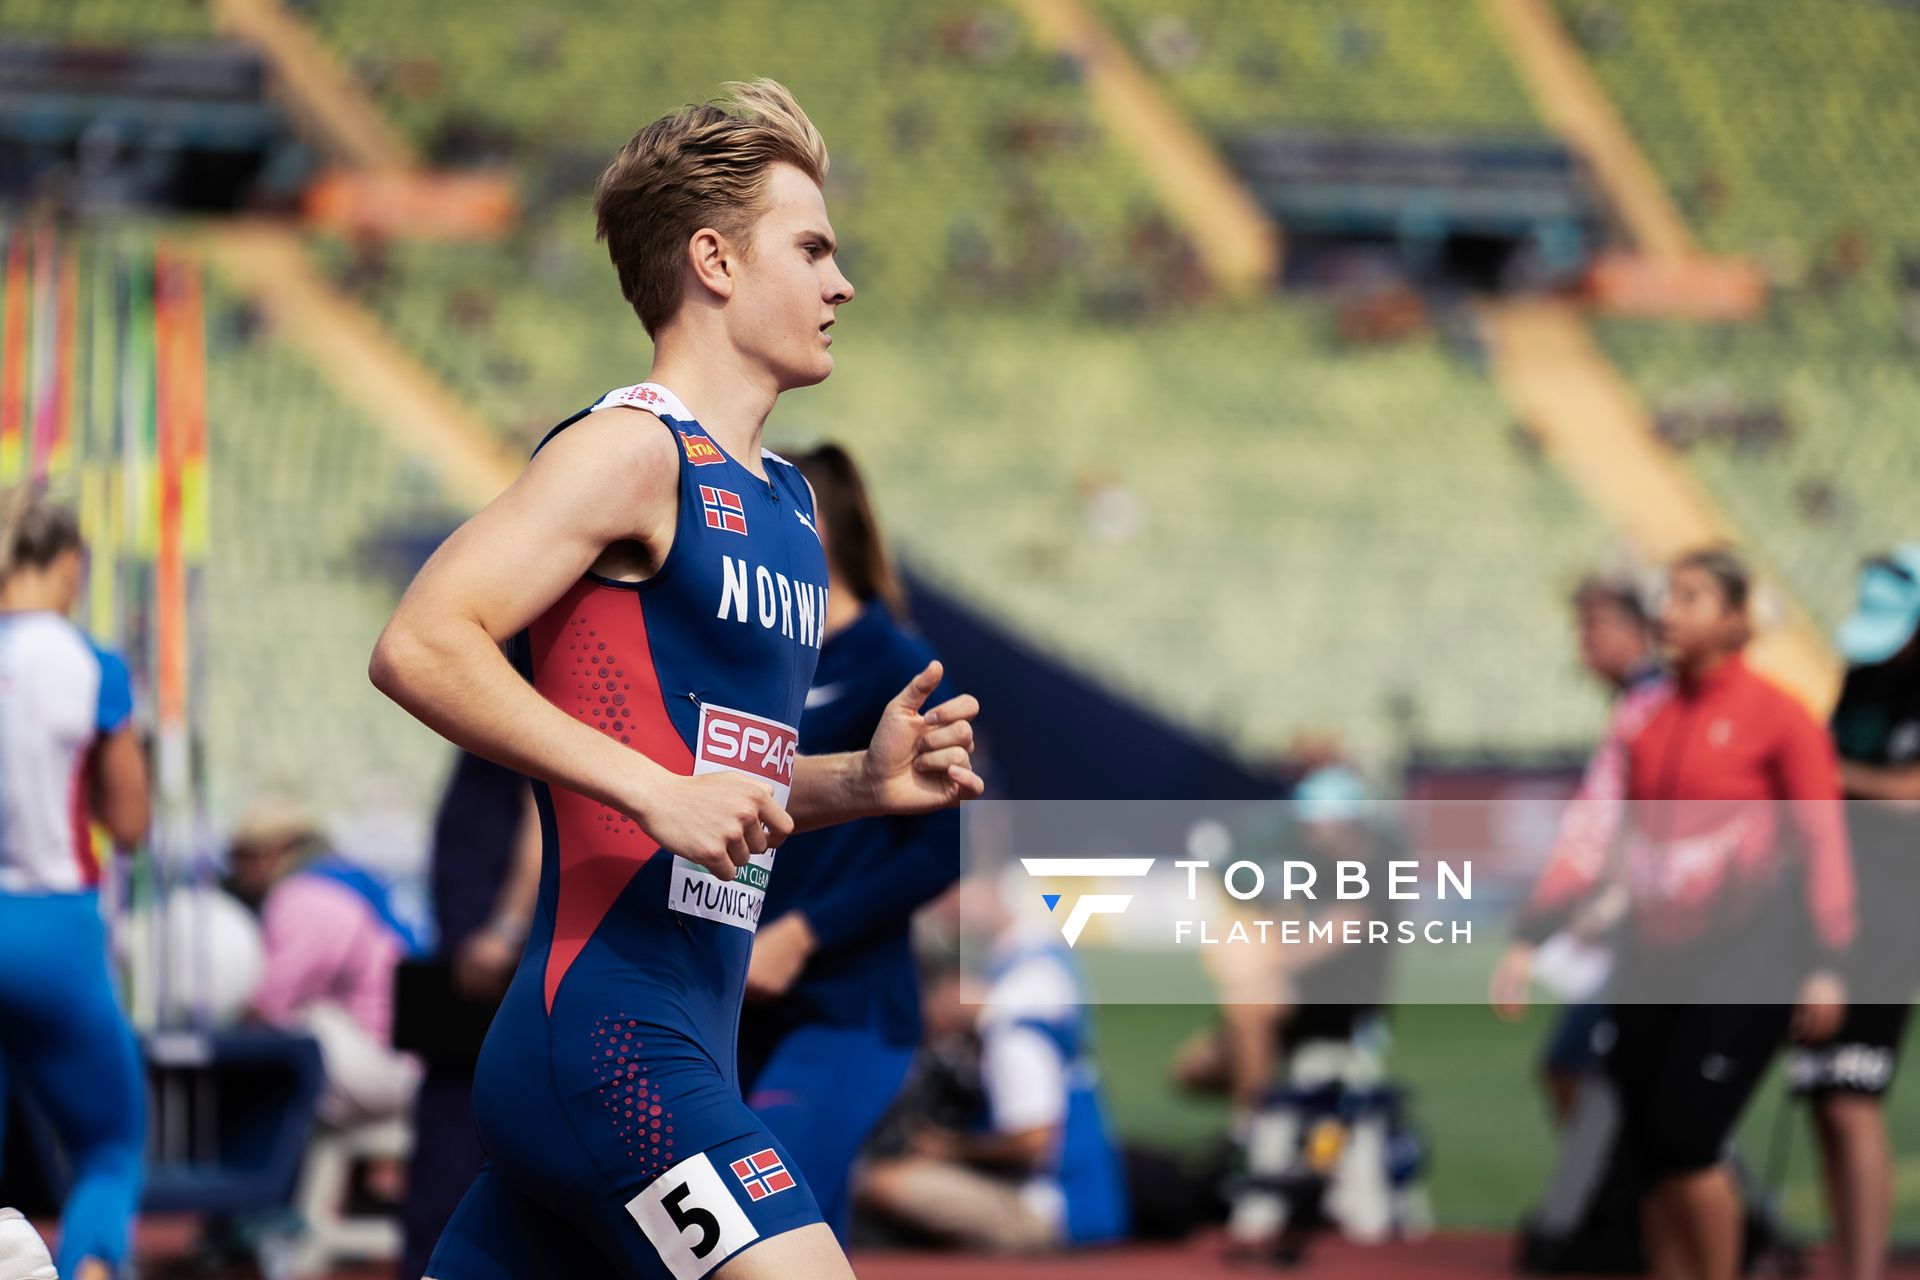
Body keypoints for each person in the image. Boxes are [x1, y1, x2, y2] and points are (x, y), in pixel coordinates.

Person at [368, 80, 982, 1280]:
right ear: (714, 259)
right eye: (811, 248)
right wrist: (654, 789)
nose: (840, 282)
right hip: (612, 1043)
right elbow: (422, 643)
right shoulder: (633, 450)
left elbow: (720, 786)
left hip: (679, 1028)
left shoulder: (792, 507)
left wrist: (858, 777)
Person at [1493, 547, 1853, 1280]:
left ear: (1734, 620)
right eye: (1667, 595)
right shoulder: (1639, 716)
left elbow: (1822, 842)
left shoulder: (1779, 718)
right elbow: (1590, 830)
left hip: (1746, 952)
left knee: (1689, 1136)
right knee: (1651, 1146)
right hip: (1651, 959)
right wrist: (1532, 936)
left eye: (1690, 598)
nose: (1667, 611)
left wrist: (1827, 962)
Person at [736, 443, 960, 1245]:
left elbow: (945, 848)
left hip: (847, 1006)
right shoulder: (759, 659)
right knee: (796, 1241)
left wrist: (803, 932)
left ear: (817, 527)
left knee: (757, 1220)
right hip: (735, 1002)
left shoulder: (896, 666)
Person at [0, 486, 149, 1280]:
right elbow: (129, 822)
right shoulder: (90, 665)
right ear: (69, 567)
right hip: (51, 927)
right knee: (110, 1146)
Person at [1789, 545, 1920, 1280]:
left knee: (1851, 1096)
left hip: (1897, 916)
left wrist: (1827, 775)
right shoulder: (1864, 675)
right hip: (1833, 906)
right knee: (1823, 1093)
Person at [858, 923, 1130, 1253]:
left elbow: (1036, 1141)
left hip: (1055, 1211)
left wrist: (948, 1147)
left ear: (946, 992)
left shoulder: (1010, 1036)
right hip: (1082, 1204)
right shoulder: (1014, 1025)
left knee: (876, 1181)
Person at [399, 751, 540, 1280]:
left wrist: (505, 927)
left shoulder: (528, 689)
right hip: (470, 966)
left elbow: (541, 813)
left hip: (491, 970)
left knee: (458, 1143)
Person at [1536, 574, 1663, 1124]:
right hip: (1638, 919)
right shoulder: (1636, 699)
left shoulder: (1655, 700)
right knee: (1626, 1076)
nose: (1582, 643)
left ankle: (1624, 1200)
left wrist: (1614, 896)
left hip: (1660, 921)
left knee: (1582, 1065)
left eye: (1593, 626)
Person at [245, 806, 427, 1130]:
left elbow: (269, 1002)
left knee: (283, 1033)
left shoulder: (306, 893)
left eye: (242, 855)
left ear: (271, 852)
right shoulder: (348, 880)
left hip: (387, 1063)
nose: (236, 868)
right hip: (413, 1055)